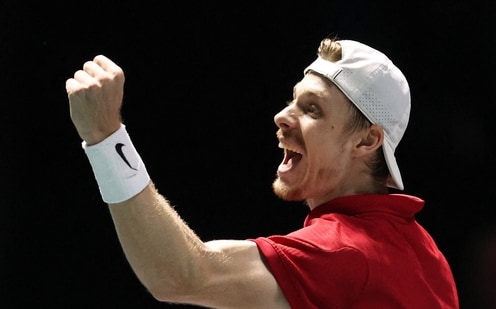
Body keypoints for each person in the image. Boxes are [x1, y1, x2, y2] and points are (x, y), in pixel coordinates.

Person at [66, 37, 459, 308]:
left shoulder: (344, 252)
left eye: (313, 110)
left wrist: (104, 137)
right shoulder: (426, 254)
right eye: (293, 101)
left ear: (366, 141)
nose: (282, 115)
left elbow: (182, 275)